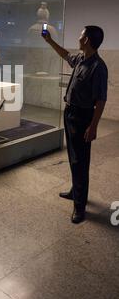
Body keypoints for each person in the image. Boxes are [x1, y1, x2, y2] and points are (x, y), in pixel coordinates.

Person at [42, 25, 108, 223]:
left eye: (81, 34)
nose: (78, 37)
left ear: (87, 40)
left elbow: (101, 100)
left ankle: (79, 207)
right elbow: (65, 55)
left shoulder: (98, 67)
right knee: (73, 156)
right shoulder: (81, 59)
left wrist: (93, 126)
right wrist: (50, 41)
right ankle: (75, 190)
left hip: (82, 116)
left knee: (81, 160)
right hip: (70, 112)